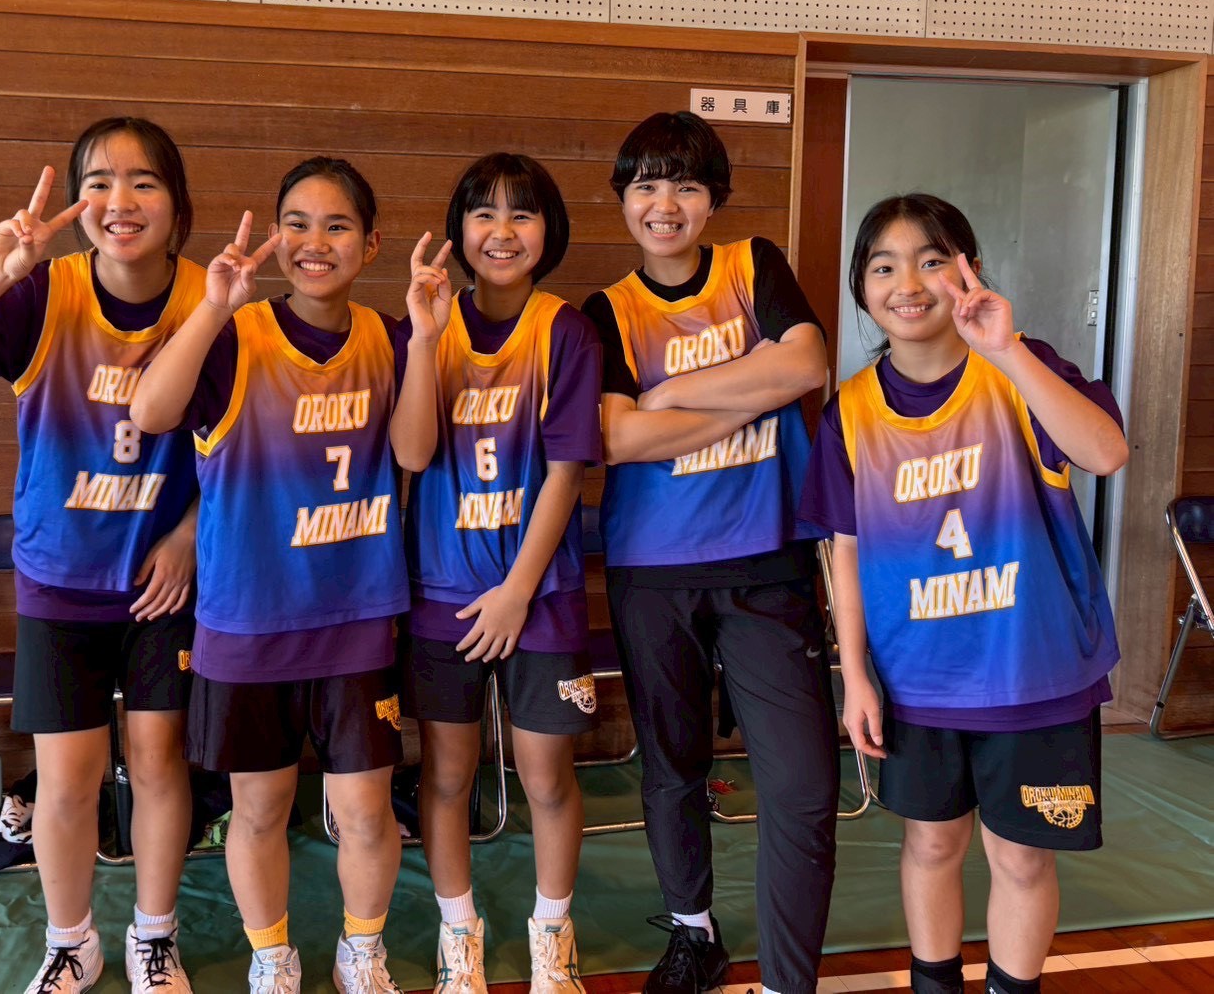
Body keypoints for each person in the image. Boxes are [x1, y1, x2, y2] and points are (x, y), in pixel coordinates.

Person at [0, 116, 205, 994]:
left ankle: (154, 937)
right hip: (61, 579)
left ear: (177, 205)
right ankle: (72, 943)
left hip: (163, 585)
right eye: (98, 182)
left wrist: (187, 536)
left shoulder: (210, 301)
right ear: (76, 202)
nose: (119, 200)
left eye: (143, 181)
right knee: (65, 780)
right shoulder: (43, 295)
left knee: (158, 764)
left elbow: (244, 450)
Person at [130, 157, 450, 994]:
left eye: (337, 225)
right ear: (274, 237)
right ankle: (272, 958)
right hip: (248, 620)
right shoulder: (235, 333)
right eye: (297, 224)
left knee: (365, 811)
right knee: (260, 808)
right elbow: (150, 412)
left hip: (355, 616)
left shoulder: (390, 335)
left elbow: (416, 453)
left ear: (370, 244)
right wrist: (211, 307)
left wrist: (426, 338)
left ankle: (361, 952)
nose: (315, 242)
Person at [800, 193, 1126, 994]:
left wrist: (1007, 349)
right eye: (883, 266)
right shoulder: (849, 411)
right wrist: (855, 677)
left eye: (930, 260)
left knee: (1020, 858)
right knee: (931, 845)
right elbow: (844, 553)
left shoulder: (1019, 368)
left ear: (967, 269)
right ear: (861, 286)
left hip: (1032, 677)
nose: (907, 283)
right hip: (918, 683)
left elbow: (1105, 453)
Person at [579, 111, 837, 994]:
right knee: (672, 767)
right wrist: (747, 391)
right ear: (622, 199)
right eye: (646, 185)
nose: (665, 204)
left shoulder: (753, 265)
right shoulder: (607, 310)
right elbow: (616, 437)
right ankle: (693, 931)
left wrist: (671, 394)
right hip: (654, 571)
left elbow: (804, 365)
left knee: (801, 783)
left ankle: (789, 980)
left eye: (685, 185)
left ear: (713, 199)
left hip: (769, 561)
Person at [395, 153, 602, 994]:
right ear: (458, 230)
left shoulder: (566, 331)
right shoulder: (427, 325)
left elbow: (566, 473)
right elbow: (412, 454)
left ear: (549, 230)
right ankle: (460, 937)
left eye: (521, 213)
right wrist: (422, 339)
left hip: (538, 595)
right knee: (446, 775)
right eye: (483, 212)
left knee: (546, 776)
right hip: (440, 593)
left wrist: (517, 589)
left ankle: (553, 937)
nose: (502, 230)